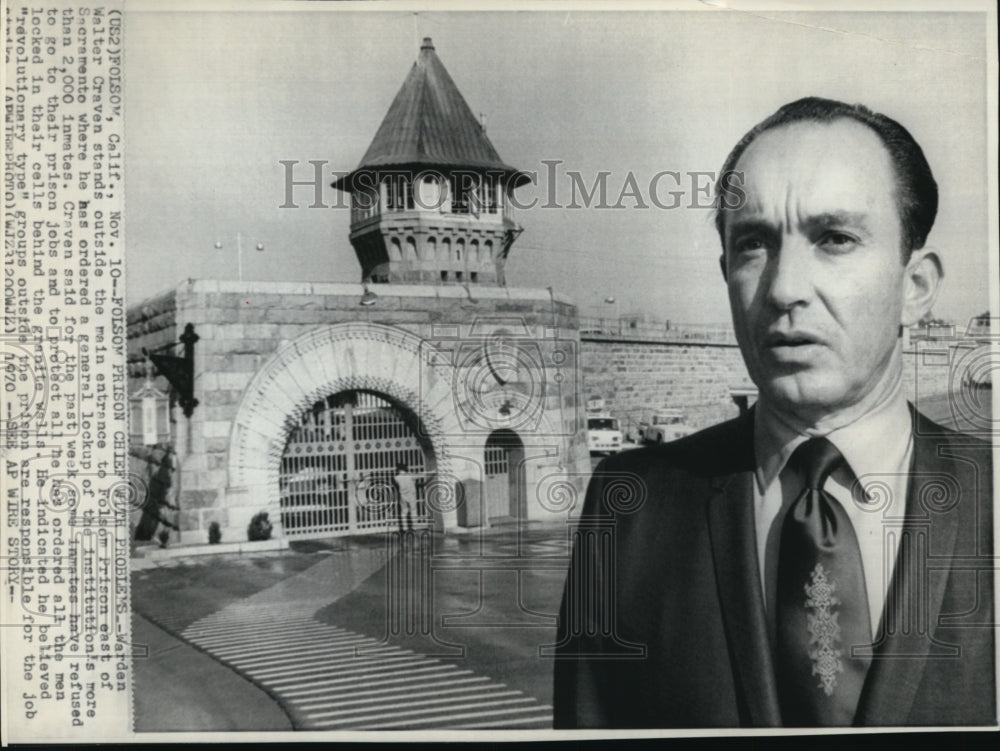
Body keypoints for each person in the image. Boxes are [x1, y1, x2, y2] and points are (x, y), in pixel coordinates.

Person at [553, 97, 994, 728]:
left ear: (916, 286)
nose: (785, 288)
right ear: (726, 270)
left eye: (835, 239)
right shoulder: (631, 508)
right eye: (754, 244)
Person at [393, 462, 422, 532]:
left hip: (403, 496)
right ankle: (414, 527)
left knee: (404, 512)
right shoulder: (410, 475)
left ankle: (405, 528)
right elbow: (420, 475)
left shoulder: (396, 477)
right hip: (411, 495)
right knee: (413, 511)